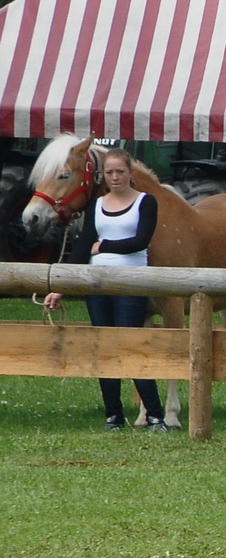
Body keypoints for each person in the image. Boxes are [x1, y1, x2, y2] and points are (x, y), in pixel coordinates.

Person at [43, 149, 168, 432]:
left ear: (129, 174)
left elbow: (140, 241)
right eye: (110, 172)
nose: (115, 177)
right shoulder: (96, 205)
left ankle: (155, 414)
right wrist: (60, 287)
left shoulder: (145, 202)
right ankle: (113, 414)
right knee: (104, 347)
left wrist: (104, 246)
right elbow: (83, 246)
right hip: (96, 283)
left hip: (130, 281)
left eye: (120, 172)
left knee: (129, 344)